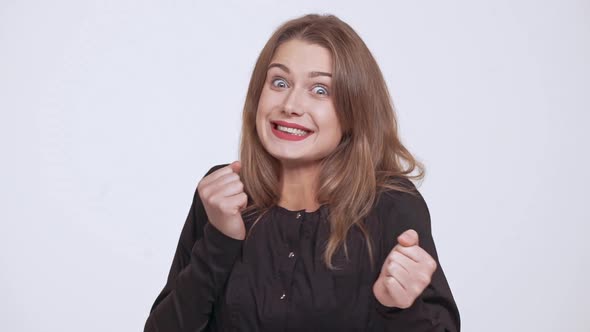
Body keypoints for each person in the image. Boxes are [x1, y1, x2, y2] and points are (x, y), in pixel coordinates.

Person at [144, 14, 460, 332]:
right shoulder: (223, 193)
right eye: (279, 83)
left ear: (354, 111)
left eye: (320, 90)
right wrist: (220, 239)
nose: (291, 104)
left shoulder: (391, 203)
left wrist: (398, 308)